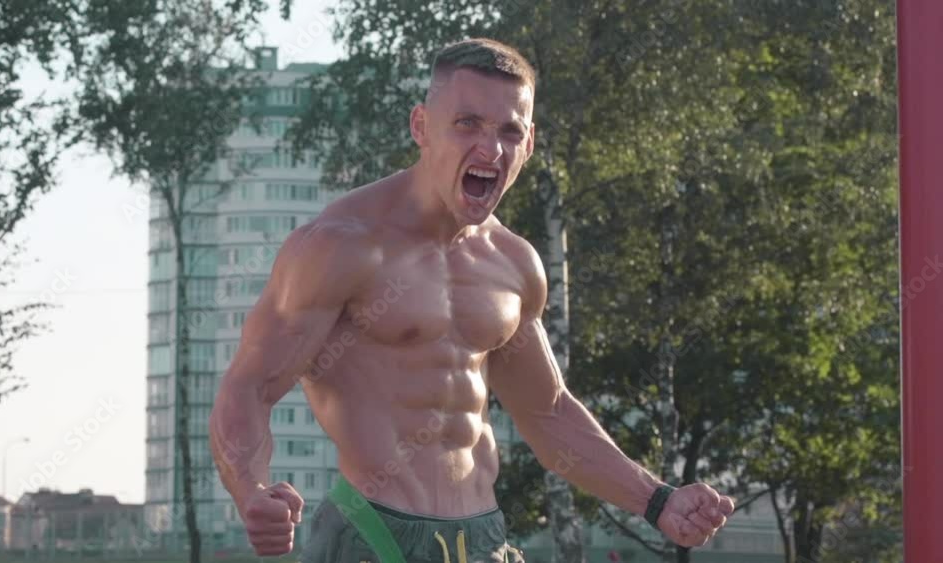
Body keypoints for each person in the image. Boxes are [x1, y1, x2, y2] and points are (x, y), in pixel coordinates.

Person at [209, 37, 735, 563]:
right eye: (468, 124)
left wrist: (657, 500)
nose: (491, 149)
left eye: (510, 131)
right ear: (421, 128)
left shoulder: (514, 263)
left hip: (486, 541)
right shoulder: (341, 246)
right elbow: (250, 387)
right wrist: (251, 493)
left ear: (528, 145)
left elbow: (547, 412)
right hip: (371, 536)